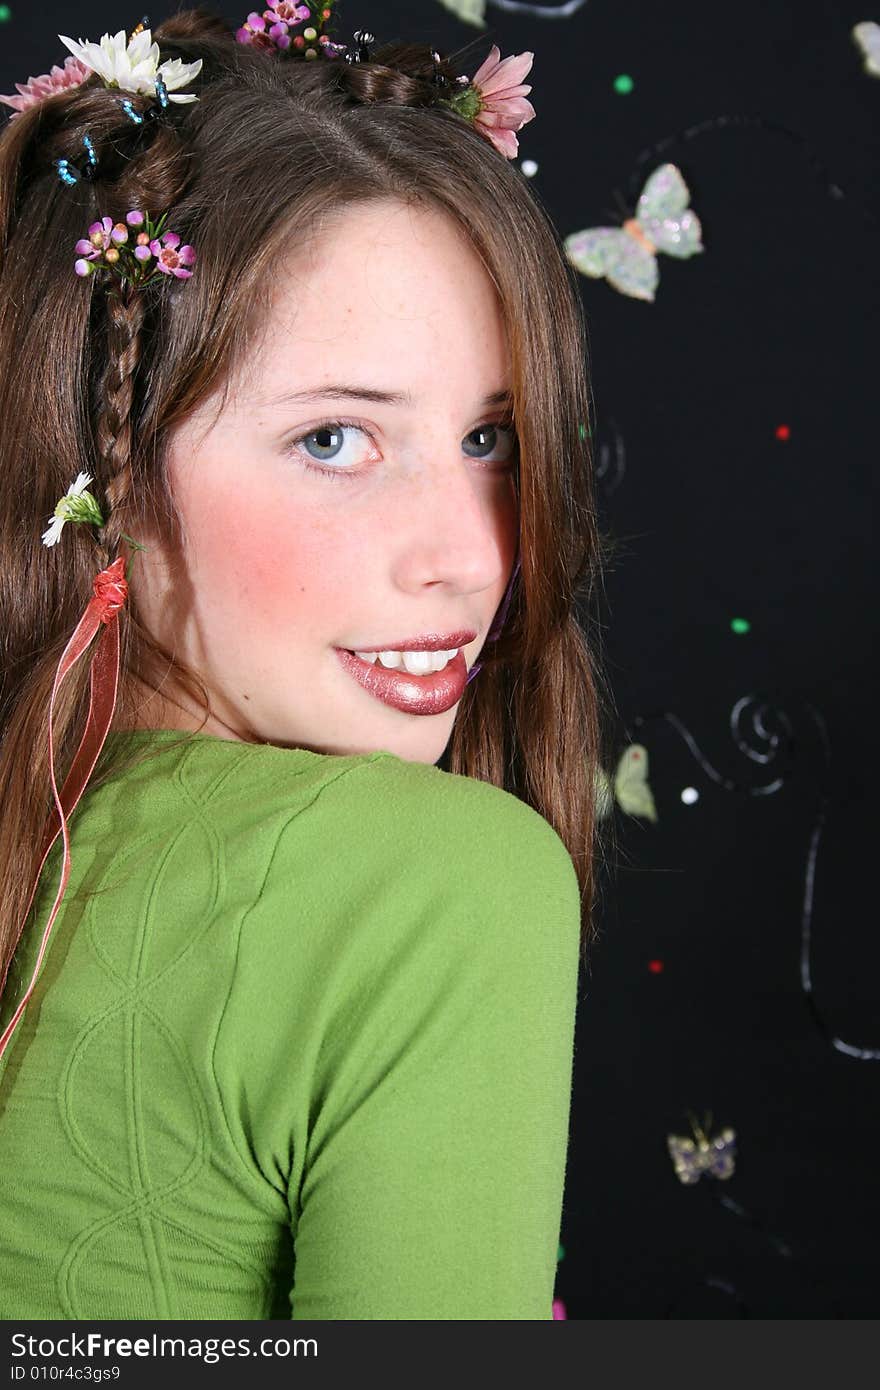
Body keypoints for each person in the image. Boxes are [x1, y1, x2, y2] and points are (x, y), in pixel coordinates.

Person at [0, 6, 611, 1319]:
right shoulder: (439, 882)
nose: (468, 556)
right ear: (102, 469)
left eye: (490, 440)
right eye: (336, 439)